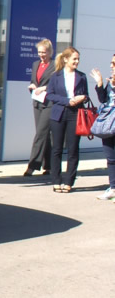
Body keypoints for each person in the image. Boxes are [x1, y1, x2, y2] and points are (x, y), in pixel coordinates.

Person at [45, 47, 89, 193]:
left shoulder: (82, 76)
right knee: (57, 149)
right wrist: (67, 101)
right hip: (58, 114)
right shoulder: (55, 76)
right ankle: (56, 180)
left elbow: (86, 95)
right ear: (66, 59)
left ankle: (69, 181)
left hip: (75, 115)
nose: (77, 61)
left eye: (78, 59)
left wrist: (82, 97)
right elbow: (50, 95)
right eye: (74, 59)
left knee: (73, 149)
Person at [24, 38, 55, 176]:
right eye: (39, 52)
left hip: (49, 103)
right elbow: (34, 81)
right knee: (43, 134)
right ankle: (48, 166)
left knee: (40, 133)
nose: (41, 55)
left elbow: (56, 84)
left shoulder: (55, 65)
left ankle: (32, 165)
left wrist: (45, 88)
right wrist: (32, 86)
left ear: (50, 52)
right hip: (37, 102)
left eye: (44, 52)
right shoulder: (36, 64)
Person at [91, 54, 115, 200]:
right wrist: (100, 84)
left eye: (114, 63)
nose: (111, 66)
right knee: (110, 157)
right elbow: (103, 100)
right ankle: (113, 188)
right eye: (111, 63)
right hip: (108, 122)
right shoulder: (111, 80)